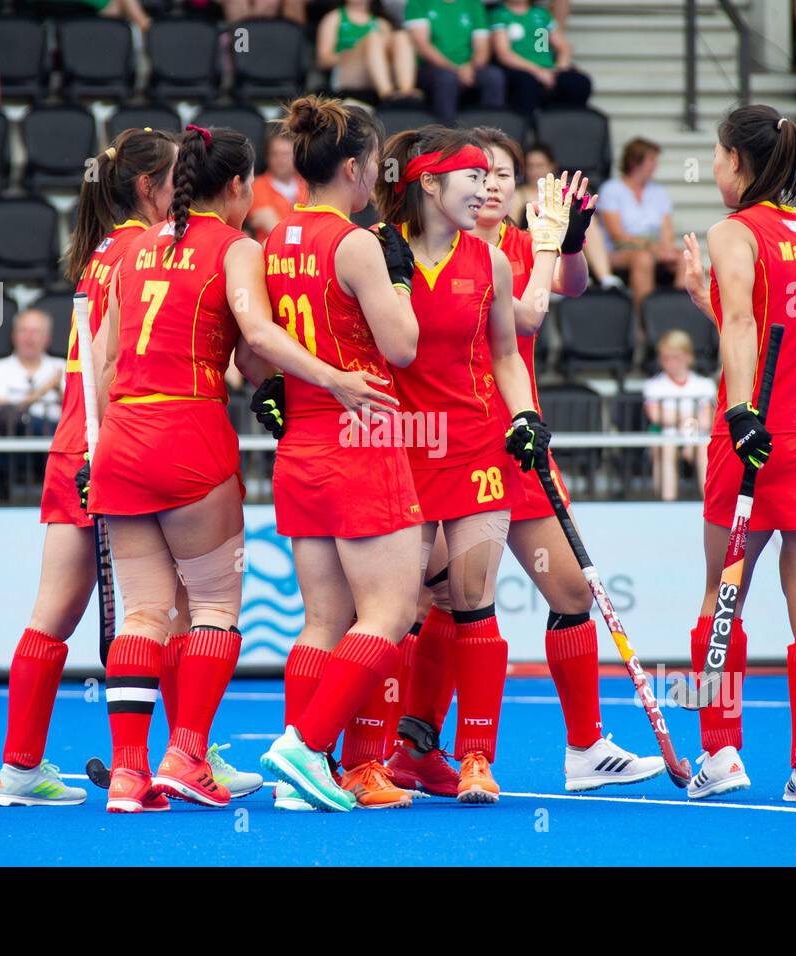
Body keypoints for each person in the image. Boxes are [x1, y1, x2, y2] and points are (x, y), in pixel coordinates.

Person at [89, 124, 397, 813]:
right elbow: (257, 338)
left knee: (143, 612)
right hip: (186, 435)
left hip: (122, 437)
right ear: (236, 187)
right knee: (215, 608)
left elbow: (106, 362)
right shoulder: (235, 249)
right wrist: (332, 379)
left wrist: (98, 449)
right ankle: (188, 755)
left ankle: (128, 776)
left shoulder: (134, 249)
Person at [0, 128, 260, 810]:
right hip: (123, 440)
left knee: (88, 613)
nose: (185, 188)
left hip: (88, 448)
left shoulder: (107, 254)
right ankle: (173, 756)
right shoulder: (158, 249)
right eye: (176, 178)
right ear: (151, 188)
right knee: (181, 609)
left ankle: (40, 766)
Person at [403, 124, 661, 792]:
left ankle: (584, 749)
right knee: (443, 600)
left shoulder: (515, 243)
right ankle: (417, 743)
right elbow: (530, 314)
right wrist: (548, 245)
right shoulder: (429, 249)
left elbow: (569, 287)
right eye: (481, 173)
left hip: (515, 441)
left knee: (570, 590)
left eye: (504, 176)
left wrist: (567, 239)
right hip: (440, 443)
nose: (492, 186)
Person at [678, 106, 796, 804]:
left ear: (739, 163)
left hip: (751, 438)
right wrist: (706, 298)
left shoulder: (733, 231)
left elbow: (750, 325)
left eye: (720, 156)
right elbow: (769, 326)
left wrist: (738, 411)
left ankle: (721, 753)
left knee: (723, 595)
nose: (717, 168)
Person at [368, 124, 555, 804]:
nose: (487, 188)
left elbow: (507, 353)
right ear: (428, 185)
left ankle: (476, 758)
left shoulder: (493, 261)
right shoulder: (376, 253)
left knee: (472, 603)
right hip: (401, 447)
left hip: (477, 444)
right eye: (473, 177)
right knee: (392, 609)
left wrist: (524, 415)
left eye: (489, 176)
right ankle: (366, 754)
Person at [254, 96, 424, 812]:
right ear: (353, 169)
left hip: (303, 442)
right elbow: (403, 346)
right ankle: (305, 745)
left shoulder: (271, 240)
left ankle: (305, 773)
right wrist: (400, 276)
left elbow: (254, 357)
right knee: (388, 612)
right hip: (363, 434)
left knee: (322, 620)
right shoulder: (352, 242)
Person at [514, 141, 618, 289]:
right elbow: (511, 229)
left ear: (552, 166)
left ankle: (605, 277)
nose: (535, 171)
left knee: (588, 221)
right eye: (531, 166)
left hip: (564, 245)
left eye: (540, 165)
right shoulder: (519, 195)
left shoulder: (563, 193)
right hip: (533, 246)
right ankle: (557, 277)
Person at [599, 137, 686, 311]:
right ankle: (644, 323)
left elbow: (667, 230)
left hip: (653, 246)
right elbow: (616, 235)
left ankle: (678, 313)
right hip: (619, 251)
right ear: (634, 162)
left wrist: (667, 250)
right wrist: (649, 246)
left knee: (685, 257)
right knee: (643, 258)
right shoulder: (611, 189)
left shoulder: (659, 192)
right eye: (651, 159)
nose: (655, 165)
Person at [642, 329, 716, 503]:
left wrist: (687, 435)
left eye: (676, 357)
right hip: (665, 437)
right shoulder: (653, 385)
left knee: (704, 449)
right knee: (666, 449)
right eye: (665, 358)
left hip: (697, 436)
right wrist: (690, 419)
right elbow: (657, 417)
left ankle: (711, 503)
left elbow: (706, 420)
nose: (671, 363)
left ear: (689, 357)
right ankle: (668, 504)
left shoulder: (705, 385)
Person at [404, 0, 504, 122]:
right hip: (430, 67)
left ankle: (490, 135)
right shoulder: (418, 3)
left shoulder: (473, 4)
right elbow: (423, 46)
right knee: (446, 79)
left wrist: (470, 67)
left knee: (493, 76)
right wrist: (456, 69)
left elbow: (482, 47)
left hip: (468, 67)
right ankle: (446, 135)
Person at [488, 0, 591, 117]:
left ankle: (570, 123)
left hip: (547, 68)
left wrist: (560, 68)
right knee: (526, 84)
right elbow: (504, 54)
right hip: (520, 68)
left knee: (578, 82)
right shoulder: (498, 15)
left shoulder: (542, 14)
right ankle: (525, 127)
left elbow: (563, 46)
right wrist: (538, 71)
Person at [0, 308, 65, 437]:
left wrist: (59, 390)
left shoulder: (62, 366)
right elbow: (1, 413)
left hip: (55, 437)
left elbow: (77, 410)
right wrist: (43, 391)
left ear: (48, 338)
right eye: (23, 330)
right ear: (13, 336)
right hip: (12, 441)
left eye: (36, 331)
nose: (29, 337)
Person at [316, 0, 419, 102]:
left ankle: (406, 91)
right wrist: (353, 53)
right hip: (347, 74)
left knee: (401, 36)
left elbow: (390, 54)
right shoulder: (334, 18)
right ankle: (386, 94)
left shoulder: (382, 23)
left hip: (377, 75)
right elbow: (323, 60)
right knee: (373, 38)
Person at [246, 126, 309, 241]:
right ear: (267, 157)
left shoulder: (308, 186)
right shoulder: (256, 187)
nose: (280, 159)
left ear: (296, 156)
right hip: (271, 255)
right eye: (275, 154)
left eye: (285, 154)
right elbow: (273, 230)